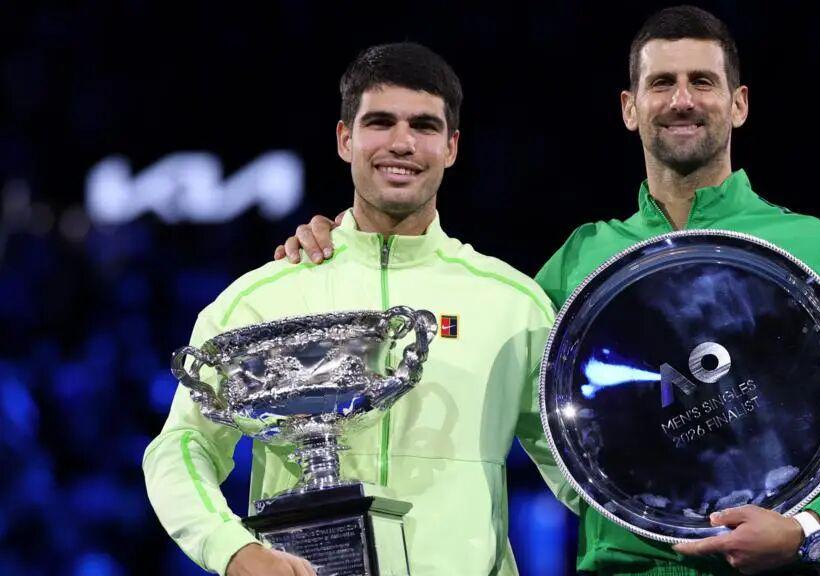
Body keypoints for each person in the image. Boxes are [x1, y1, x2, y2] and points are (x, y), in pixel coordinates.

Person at [275, 5, 820, 575]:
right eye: (661, 83)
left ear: (738, 103)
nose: (682, 100)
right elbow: (457, 344)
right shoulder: (581, 262)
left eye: (702, 82)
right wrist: (350, 246)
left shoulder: (816, 249)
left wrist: (809, 528)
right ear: (629, 108)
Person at [143, 42, 573, 576]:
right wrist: (231, 549)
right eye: (380, 122)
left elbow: (579, 472)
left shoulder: (514, 303)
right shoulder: (260, 299)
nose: (401, 143)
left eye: (424, 126)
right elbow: (181, 447)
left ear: (452, 146)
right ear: (345, 139)